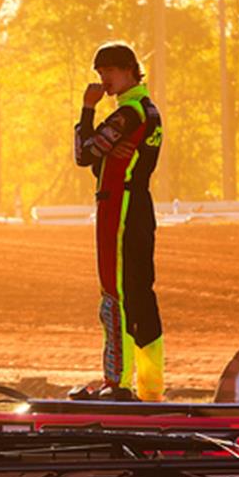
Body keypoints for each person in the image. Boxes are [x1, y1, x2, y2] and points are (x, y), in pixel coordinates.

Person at [70, 41, 165, 402]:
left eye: (108, 71)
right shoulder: (148, 110)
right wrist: (104, 155)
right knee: (142, 297)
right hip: (138, 205)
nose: (103, 79)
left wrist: (87, 109)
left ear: (129, 69)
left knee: (116, 293)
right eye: (99, 73)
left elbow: (84, 154)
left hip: (120, 208)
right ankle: (151, 390)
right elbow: (97, 157)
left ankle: (117, 384)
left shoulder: (129, 113)